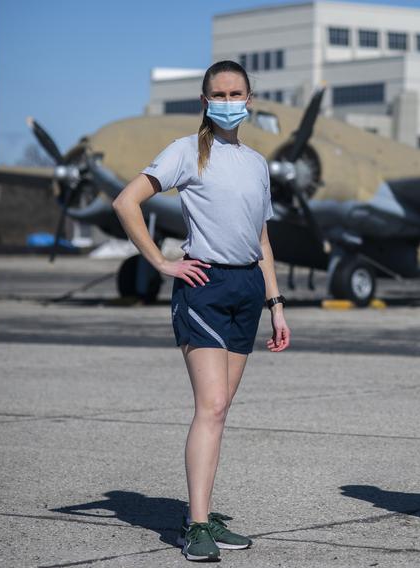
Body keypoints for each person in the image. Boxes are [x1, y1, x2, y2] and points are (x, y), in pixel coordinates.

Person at [112, 60, 291, 562]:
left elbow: (261, 238)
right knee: (209, 407)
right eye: (219, 93)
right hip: (204, 286)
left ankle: (204, 513)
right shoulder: (185, 152)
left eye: (236, 93)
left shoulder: (256, 163)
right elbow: (127, 202)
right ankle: (194, 526)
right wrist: (161, 263)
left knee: (221, 411)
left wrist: (276, 304)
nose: (228, 101)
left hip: (249, 289)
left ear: (250, 99)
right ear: (205, 101)